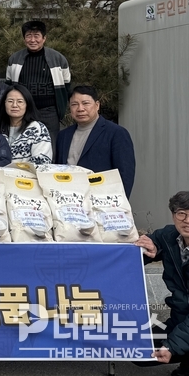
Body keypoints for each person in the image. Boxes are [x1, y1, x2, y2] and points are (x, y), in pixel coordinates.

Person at [135, 191, 189, 375]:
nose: (187, 220)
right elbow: (153, 241)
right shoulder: (169, 235)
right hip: (179, 319)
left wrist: (172, 346)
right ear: (173, 215)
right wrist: (152, 248)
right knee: (139, 349)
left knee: (175, 346)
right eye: (182, 213)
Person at [55, 85, 136, 197]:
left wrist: (119, 201)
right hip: (67, 198)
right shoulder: (63, 135)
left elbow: (125, 173)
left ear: (97, 105)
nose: (80, 109)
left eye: (85, 103)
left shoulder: (116, 133)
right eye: (74, 104)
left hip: (101, 198)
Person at [6, 20, 71, 146]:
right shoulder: (14, 59)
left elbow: (66, 84)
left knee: (51, 145)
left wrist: (61, 109)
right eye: (28, 36)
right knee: (21, 145)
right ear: (24, 39)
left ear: (44, 38)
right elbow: (9, 85)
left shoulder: (58, 58)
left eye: (36, 36)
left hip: (49, 111)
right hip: (23, 111)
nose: (32, 40)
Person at [0, 84, 52, 166]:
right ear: (4, 103)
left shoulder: (37, 129)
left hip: (28, 174)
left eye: (20, 101)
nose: (14, 105)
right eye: (10, 101)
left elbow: (41, 162)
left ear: (27, 104)